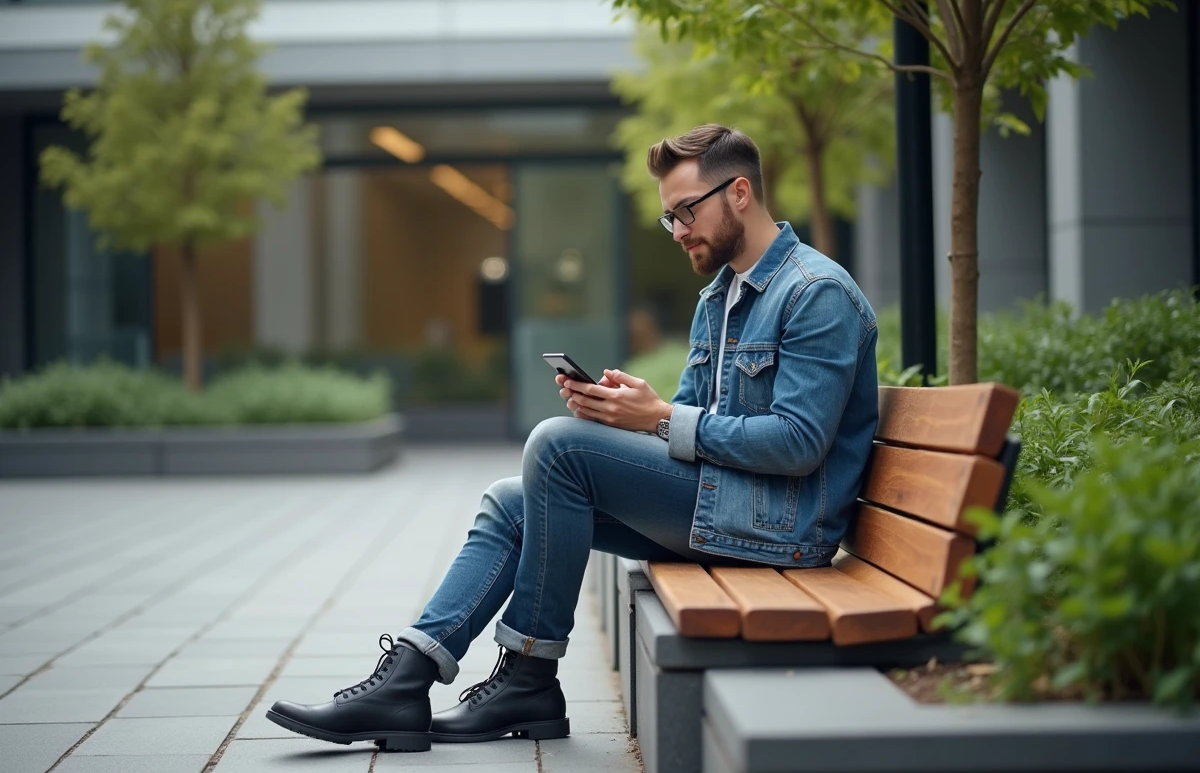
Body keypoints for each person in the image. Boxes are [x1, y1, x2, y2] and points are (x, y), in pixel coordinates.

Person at [265, 124, 879, 752]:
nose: (679, 231)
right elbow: (692, 426)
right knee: (515, 498)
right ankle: (406, 681)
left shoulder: (816, 293)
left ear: (740, 192)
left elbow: (798, 444)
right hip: (730, 504)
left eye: (686, 211)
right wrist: (621, 414)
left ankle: (528, 677)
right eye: (670, 218)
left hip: (782, 529)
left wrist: (658, 418)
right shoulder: (719, 297)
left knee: (556, 447)